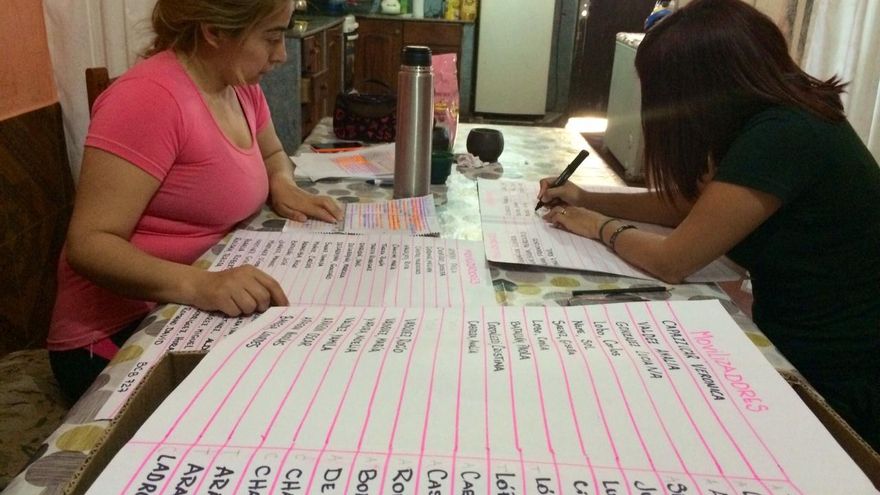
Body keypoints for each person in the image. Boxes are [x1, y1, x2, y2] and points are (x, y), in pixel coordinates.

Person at [538, 0, 880, 450]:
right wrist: (586, 197)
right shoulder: (775, 116)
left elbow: (672, 260)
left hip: (839, 380)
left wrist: (598, 225)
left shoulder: (784, 134)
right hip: (805, 341)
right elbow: (691, 208)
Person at [47, 0, 343, 402]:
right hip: (116, 333)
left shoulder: (240, 87)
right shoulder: (148, 98)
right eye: (271, 37)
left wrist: (281, 182)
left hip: (186, 305)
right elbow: (89, 244)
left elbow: (273, 153)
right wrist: (201, 284)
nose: (281, 55)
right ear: (214, 31)